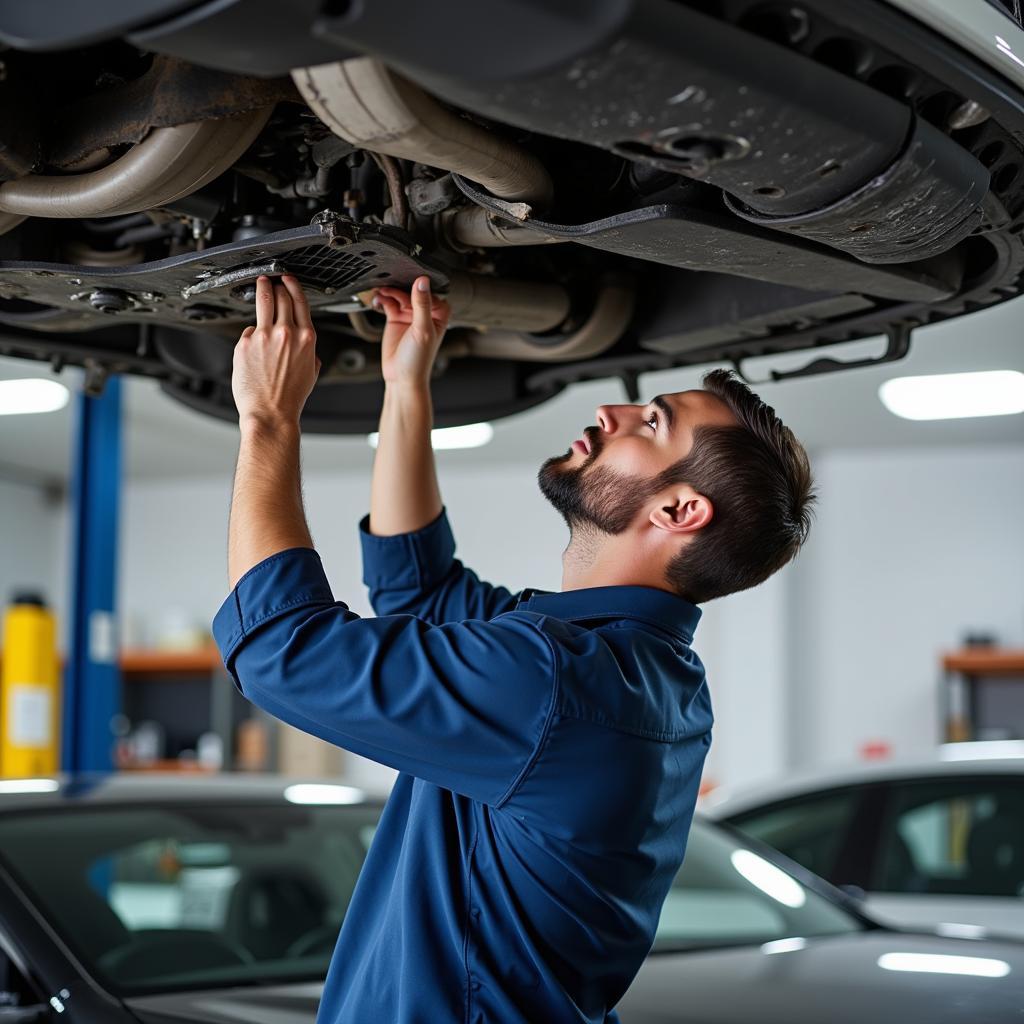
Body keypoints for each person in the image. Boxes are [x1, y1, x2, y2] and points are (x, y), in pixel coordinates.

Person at [213, 272, 815, 1023]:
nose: (613, 411)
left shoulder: (559, 684)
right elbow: (422, 594)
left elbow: (282, 653)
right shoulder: (633, 675)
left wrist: (270, 421)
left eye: (652, 424)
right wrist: (407, 385)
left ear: (679, 509)